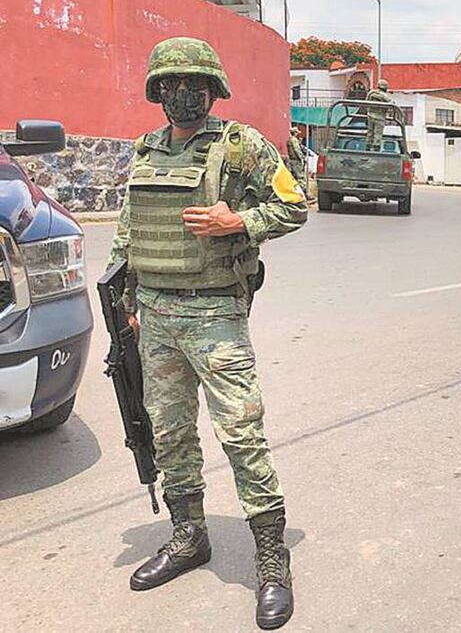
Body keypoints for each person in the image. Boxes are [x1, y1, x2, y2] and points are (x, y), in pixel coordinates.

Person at [108, 37, 307, 630]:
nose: (182, 93)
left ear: (212, 89)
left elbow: (297, 203)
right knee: (169, 434)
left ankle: (272, 558)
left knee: (242, 434)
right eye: (170, 83)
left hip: (214, 312)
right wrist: (125, 300)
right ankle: (189, 535)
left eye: (194, 83)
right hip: (155, 316)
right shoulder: (146, 150)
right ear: (157, 91)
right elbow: (127, 232)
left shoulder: (240, 145)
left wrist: (237, 220)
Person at [366, 78, 393, 152]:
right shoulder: (384, 95)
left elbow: (366, 102)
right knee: (378, 134)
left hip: (370, 115)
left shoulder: (371, 93)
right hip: (380, 117)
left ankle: (368, 146)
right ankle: (376, 148)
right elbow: (391, 104)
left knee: (370, 132)